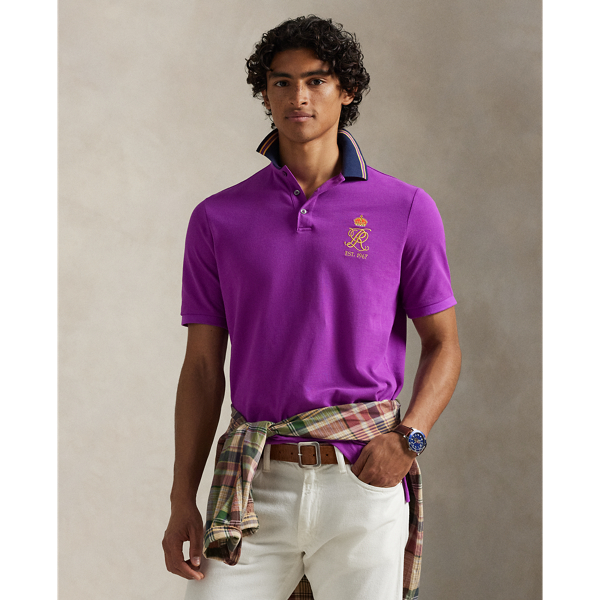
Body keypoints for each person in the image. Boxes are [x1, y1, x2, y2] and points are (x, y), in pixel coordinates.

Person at [162, 15, 461, 600]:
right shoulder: (217, 218)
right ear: (265, 93)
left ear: (347, 91)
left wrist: (409, 439)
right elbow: (200, 367)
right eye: (282, 82)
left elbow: (444, 343)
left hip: (363, 482)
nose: (298, 96)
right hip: (255, 482)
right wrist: (181, 499)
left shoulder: (405, 208)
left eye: (316, 80)